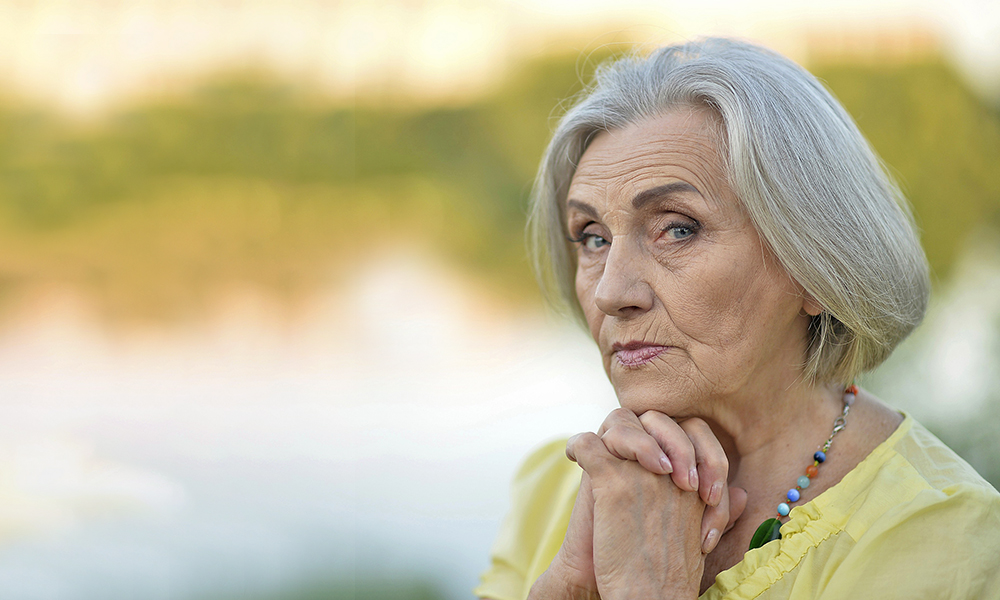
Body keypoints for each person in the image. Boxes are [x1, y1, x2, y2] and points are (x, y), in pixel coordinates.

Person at [475, 38, 1000, 600]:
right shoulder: (558, 487)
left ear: (814, 265)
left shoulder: (944, 544)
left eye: (677, 228)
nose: (609, 292)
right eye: (593, 237)